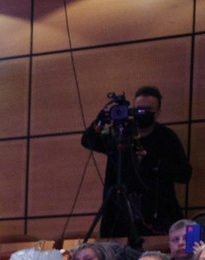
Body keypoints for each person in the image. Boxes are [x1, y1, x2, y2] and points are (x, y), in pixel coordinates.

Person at [81, 86, 193, 239]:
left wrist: (151, 162)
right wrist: (100, 120)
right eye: (138, 109)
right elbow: (88, 140)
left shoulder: (166, 137)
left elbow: (184, 174)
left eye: (148, 110)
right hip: (120, 216)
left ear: (158, 112)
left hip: (157, 215)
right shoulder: (119, 134)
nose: (142, 114)